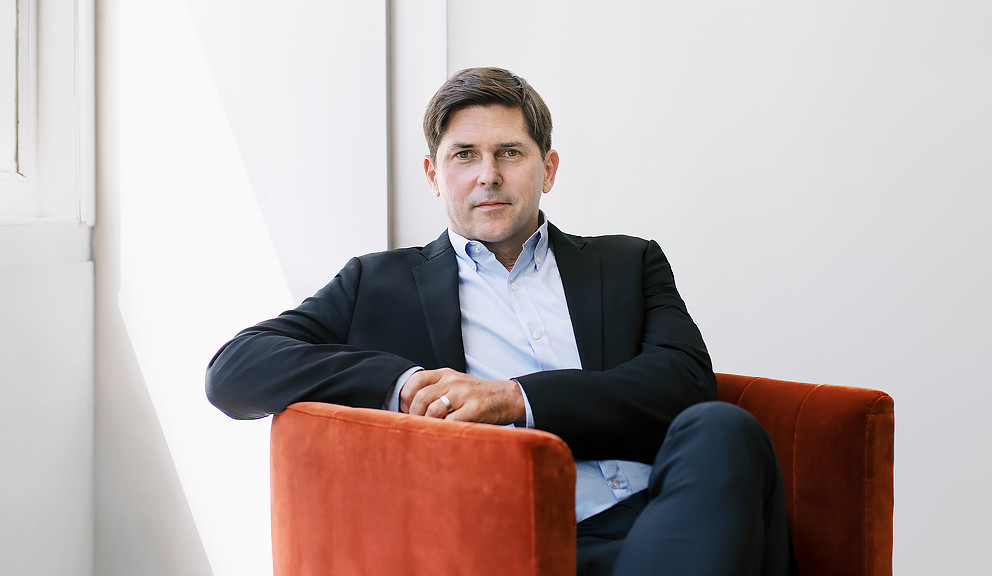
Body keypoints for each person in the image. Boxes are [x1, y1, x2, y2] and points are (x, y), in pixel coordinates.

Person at [206, 67, 794, 576]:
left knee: (723, 428)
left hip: (671, 513)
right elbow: (233, 372)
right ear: (435, 176)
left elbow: (684, 382)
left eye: (509, 152)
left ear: (549, 167)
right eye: (464, 155)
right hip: (522, 542)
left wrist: (515, 400)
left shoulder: (627, 262)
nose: (487, 174)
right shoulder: (376, 283)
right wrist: (406, 384)